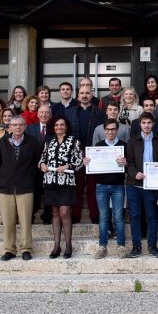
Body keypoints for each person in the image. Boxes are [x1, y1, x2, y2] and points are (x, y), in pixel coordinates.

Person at [0, 116, 41, 261]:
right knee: (8, 221)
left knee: (25, 221)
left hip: (25, 187)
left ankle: (26, 248)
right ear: (9, 127)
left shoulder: (32, 142)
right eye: (14, 125)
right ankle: (9, 249)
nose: (17, 127)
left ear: (25, 126)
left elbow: (36, 164)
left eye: (20, 125)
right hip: (5, 187)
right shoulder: (2, 142)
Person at [39, 116, 83, 259]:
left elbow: (80, 161)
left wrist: (67, 166)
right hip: (51, 181)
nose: (59, 127)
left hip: (66, 181)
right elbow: (42, 159)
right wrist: (42, 165)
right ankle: (56, 246)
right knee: (55, 213)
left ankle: (68, 245)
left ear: (66, 126)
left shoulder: (73, 141)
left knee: (64, 212)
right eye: (57, 125)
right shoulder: (49, 141)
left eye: (62, 125)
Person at [83, 119, 128, 259]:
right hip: (101, 185)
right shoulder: (98, 146)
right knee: (103, 217)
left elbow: (129, 165)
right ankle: (103, 246)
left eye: (113, 129)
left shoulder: (123, 146)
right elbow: (92, 165)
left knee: (119, 217)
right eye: (108, 130)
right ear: (104, 131)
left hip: (118, 186)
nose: (110, 132)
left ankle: (121, 246)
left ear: (117, 130)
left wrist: (126, 163)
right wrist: (86, 162)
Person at [126, 112, 158, 258]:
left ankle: (152, 246)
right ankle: (136, 247)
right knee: (135, 216)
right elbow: (128, 162)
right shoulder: (132, 141)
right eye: (144, 123)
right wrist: (135, 173)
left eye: (149, 123)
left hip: (151, 185)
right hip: (134, 185)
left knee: (152, 216)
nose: (146, 125)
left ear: (153, 124)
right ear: (140, 124)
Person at [65, 85, 104, 224]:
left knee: (93, 187)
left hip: (94, 154)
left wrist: (97, 151)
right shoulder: (69, 112)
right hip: (76, 154)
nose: (85, 95)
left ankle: (95, 214)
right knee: (78, 186)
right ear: (78, 96)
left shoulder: (99, 112)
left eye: (87, 93)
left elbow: (102, 133)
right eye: (82, 93)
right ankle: (76, 215)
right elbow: (67, 133)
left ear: (92, 95)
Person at [26, 105, 54, 224]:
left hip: (49, 166)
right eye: (41, 112)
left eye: (47, 113)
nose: (44, 115)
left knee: (49, 191)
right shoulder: (29, 128)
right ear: (37, 114)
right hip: (32, 166)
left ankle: (47, 216)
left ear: (51, 115)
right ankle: (31, 215)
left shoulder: (55, 128)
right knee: (33, 191)